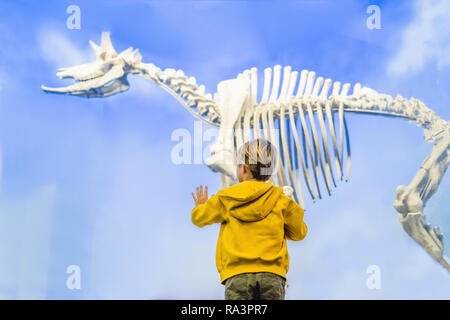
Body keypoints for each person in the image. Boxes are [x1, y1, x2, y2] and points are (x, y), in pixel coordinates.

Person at [191, 138, 307, 300]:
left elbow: (199, 218)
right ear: (270, 171)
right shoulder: (281, 199)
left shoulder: (225, 198)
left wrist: (200, 206)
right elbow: (299, 233)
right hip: (272, 276)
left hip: (238, 276)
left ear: (243, 169)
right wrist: (292, 207)